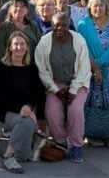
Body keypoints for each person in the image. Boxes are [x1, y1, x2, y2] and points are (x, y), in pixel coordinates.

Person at [35, 12, 91, 163]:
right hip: (55, 83)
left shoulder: (79, 40)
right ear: (51, 25)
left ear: (69, 25)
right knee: (51, 111)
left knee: (75, 111)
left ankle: (76, 145)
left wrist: (73, 90)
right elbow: (42, 70)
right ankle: (60, 142)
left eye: (64, 25)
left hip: (77, 82)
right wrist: (54, 89)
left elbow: (84, 68)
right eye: (56, 25)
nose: (60, 28)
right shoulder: (44, 42)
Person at [0, 31, 43, 173]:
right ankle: (8, 157)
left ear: (27, 47)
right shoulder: (2, 67)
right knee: (26, 122)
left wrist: (28, 107)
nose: (19, 47)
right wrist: (22, 109)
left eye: (22, 44)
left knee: (23, 156)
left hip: (24, 111)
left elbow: (35, 93)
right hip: (4, 111)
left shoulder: (32, 68)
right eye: (15, 44)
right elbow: (0, 98)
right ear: (9, 47)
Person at [77, 0, 109, 148]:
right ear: (90, 8)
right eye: (95, 5)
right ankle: (91, 134)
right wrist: (95, 67)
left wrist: (101, 62)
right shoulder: (83, 23)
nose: (98, 8)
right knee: (93, 101)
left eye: (101, 5)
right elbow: (83, 47)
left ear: (106, 7)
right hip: (91, 68)